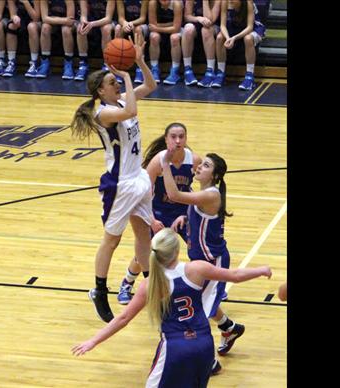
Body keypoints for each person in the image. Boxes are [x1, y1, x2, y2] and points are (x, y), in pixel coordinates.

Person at [72, 227, 272, 388]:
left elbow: (123, 319)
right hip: (204, 344)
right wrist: (260, 270)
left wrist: (93, 341)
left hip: (175, 347)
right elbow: (235, 275)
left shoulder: (149, 284)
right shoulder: (197, 268)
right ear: (177, 251)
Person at [70, 32, 157, 323]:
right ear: (100, 92)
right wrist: (127, 75)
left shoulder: (118, 101)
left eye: (115, 79)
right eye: (111, 82)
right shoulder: (104, 113)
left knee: (144, 234)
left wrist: (140, 62)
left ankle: (152, 285)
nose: (116, 82)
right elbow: (132, 108)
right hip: (120, 184)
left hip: (139, 178)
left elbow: (152, 85)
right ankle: (99, 289)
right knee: (112, 240)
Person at [161, 144, 249, 370]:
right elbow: (194, 208)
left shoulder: (211, 194)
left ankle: (210, 362)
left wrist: (165, 164)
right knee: (203, 302)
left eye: (206, 165)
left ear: (215, 176)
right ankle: (229, 328)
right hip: (200, 259)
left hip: (213, 261)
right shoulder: (202, 193)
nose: (200, 166)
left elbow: (173, 195)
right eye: (201, 163)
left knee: (197, 309)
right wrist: (185, 217)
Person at [117, 122, 202, 306]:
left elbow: (200, 188)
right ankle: (127, 282)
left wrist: (196, 213)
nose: (178, 140)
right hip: (158, 211)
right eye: (173, 136)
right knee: (149, 253)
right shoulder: (158, 161)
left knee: (196, 246)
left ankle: (204, 285)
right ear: (166, 139)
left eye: (181, 136)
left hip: (182, 212)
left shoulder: (194, 160)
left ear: (186, 139)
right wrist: (152, 220)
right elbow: (143, 193)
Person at [211, 0, 266, 90]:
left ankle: (250, 76)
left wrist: (234, 38)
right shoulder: (225, 2)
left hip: (254, 28)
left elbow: (249, 27)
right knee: (220, 37)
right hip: (234, 26)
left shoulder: (248, 3)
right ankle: (220, 73)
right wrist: (228, 38)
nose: (231, 0)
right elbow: (223, 26)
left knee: (248, 39)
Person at [181, 0, 221, 87]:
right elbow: (187, 16)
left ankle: (210, 71)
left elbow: (210, 20)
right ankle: (187, 70)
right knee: (188, 29)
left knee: (206, 30)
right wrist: (198, 18)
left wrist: (205, 1)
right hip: (198, 23)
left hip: (214, 26)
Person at [74, 0, 116, 81]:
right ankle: (83, 63)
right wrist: (84, 22)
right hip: (91, 21)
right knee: (80, 28)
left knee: (106, 29)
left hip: (107, 22)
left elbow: (108, 18)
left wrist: (92, 24)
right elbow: (83, 15)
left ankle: (107, 63)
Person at [38, 0, 77, 78]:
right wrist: (62, 20)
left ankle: (68, 64)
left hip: (67, 24)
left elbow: (70, 21)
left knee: (66, 30)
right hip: (55, 22)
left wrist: (53, 19)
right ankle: (45, 63)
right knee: (45, 27)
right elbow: (44, 19)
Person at [148, 0, 184, 84]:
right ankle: (154, 69)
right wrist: (171, 24)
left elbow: (176, 28)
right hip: (162, 30)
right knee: (154, 37)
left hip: (175, 30)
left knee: (174, 38)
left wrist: (158, 27)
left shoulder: (176, 4)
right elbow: (151, 25)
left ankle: (175, 71)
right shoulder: (152, 3)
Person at [3, 0, 41, 77]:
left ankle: (34, 62)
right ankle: (11, 61)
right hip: (21, 19)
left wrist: (26, 2)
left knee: (31, 27)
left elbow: (36, 18)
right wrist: (14, 17)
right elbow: (12, 14)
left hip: (35, 21)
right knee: (11, 26)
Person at [115, 0, 150, 84]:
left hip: (140, 24)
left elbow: (142, 18)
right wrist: (124, 23)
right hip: (126, 23)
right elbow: (120, 18)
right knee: (118, 29)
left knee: (137, 30)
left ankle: (140, 67)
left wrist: (131, 24)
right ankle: (119, 65)